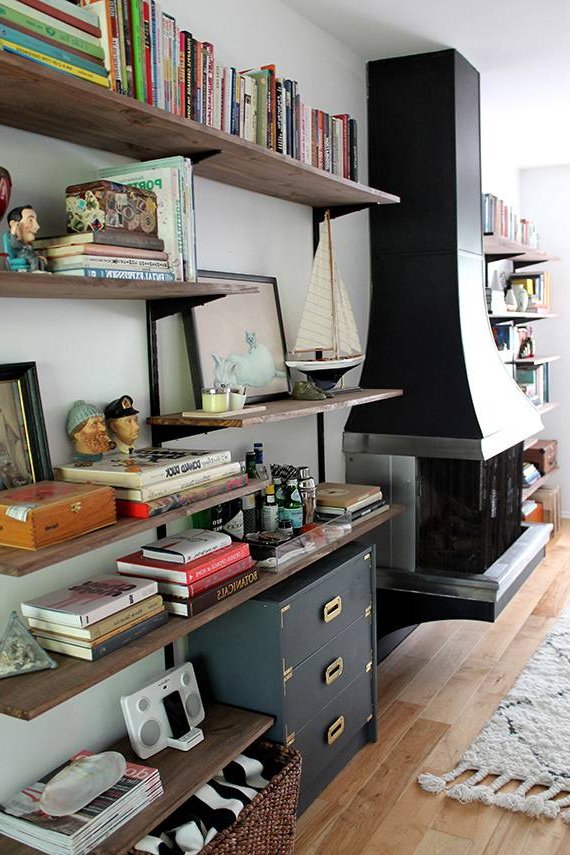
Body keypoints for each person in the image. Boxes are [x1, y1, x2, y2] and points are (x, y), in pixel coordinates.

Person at [6, 205, 48, 272]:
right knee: (34, 259)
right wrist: (13, 232)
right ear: (13, 224)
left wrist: (38, 256)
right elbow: (15, 245)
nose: (37, 226)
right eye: (30, 220)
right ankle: (35, 271)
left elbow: (30, 252)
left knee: (40, 260)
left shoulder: (29, 245)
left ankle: (41, 273)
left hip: (28, 254)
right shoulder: (16, 242)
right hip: (23, 254)